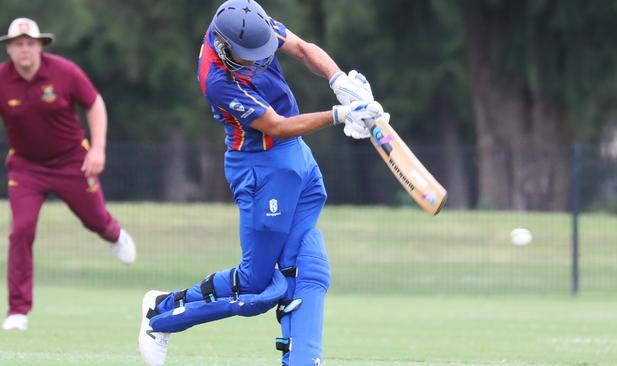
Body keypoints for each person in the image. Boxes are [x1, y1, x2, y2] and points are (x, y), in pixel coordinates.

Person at [138, 1, 387, 365]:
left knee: (307, 265)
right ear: (225, 49)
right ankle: (160, 312)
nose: (258, 62)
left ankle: (302, 360)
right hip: (260, 168)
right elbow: (276, 125)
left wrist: (340, 81)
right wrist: (342, 114)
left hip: (296, 157)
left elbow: (303, 49)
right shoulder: (216, 80)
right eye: (249, 58)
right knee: (256, 286)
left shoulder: (251, 23)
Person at [0, 18, 137, 331]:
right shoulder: (2, 79)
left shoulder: (65, 72)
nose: (24, 49)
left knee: (95, 221)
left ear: (40, 46)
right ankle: (18, 311)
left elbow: (95, 104)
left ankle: (114, 233)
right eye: (18, 44)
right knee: (21, 231)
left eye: (30, 43)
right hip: (26, 166)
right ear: (9, 48)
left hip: (72, 161)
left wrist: (98, 149)